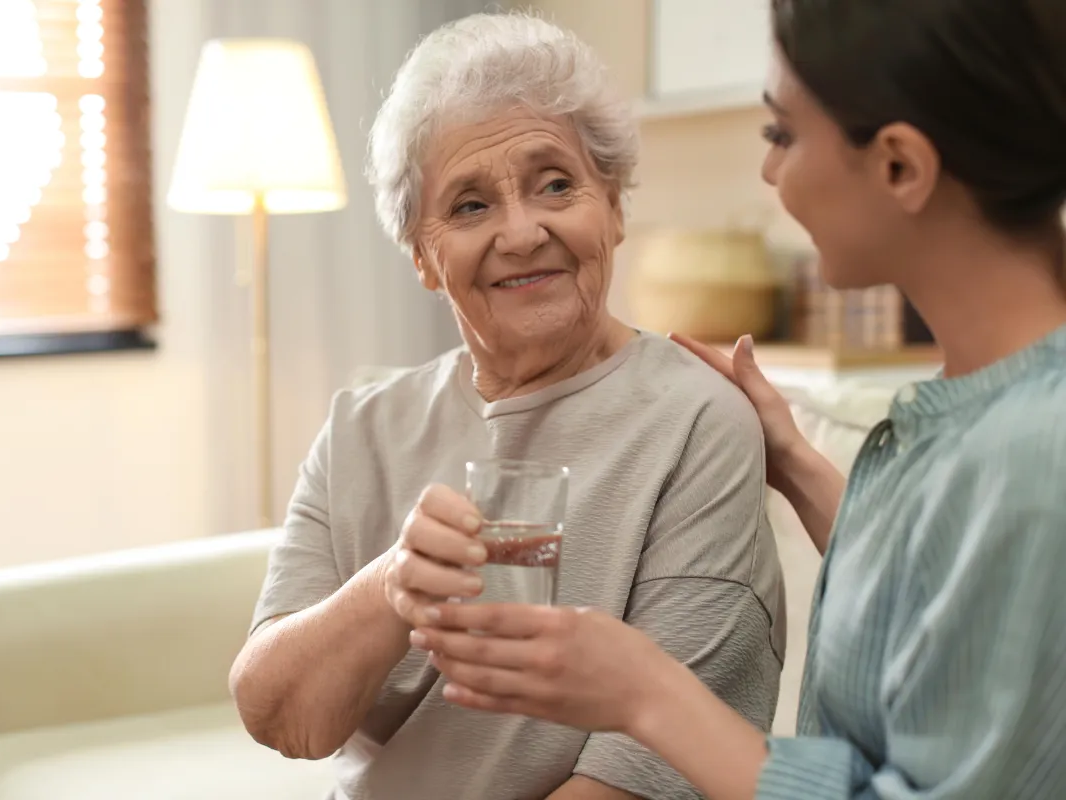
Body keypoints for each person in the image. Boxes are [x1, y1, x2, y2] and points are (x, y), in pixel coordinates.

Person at [408, 1, 1066, 798]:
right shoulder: (972, 415)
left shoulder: (1037, 456)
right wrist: (792, 460)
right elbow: (949, 594)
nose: (768, 173)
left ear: (899, 165)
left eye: (782, 133)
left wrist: (646, 691)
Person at [228, 11, 786, 800]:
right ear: (423, 256)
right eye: (469, 206)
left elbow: (644, 776)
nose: (523, 232)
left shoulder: (696, 425)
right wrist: (394, 585)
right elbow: (283, 717)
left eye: (556, 184)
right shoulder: (363, 428)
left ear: (615, 209)